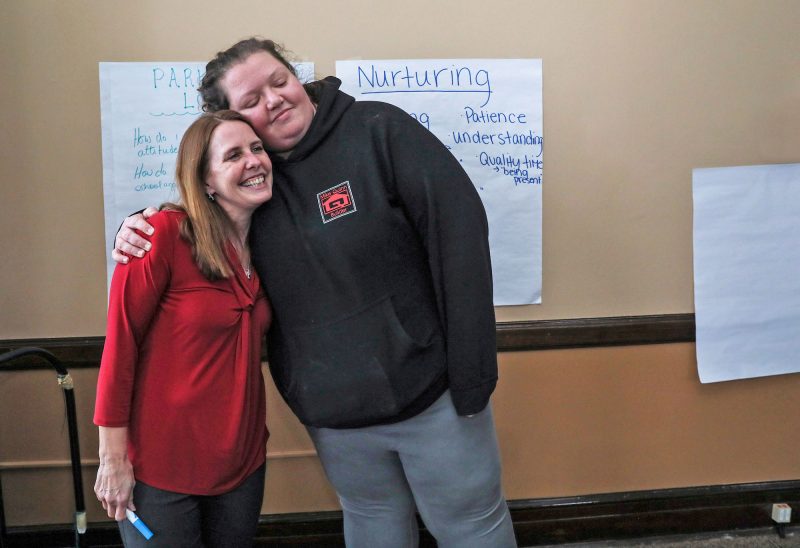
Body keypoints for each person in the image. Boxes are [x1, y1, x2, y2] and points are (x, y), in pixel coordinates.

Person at [113, 38, 517, 548]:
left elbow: (458, 237)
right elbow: (188, 228)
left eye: (279, 81)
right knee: (373, 526)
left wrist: (473, 373)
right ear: (229, 121)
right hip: (334, 417)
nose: (275, 99)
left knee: (471, 528)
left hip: (435, 399)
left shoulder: (379, 130)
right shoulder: (250, 187)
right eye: (252, 100)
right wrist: (132, 229)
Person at [95, 110, 274, 547]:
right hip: (161, 469)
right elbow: (120, 351)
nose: (253, 161)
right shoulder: (159, 236)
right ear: (206, 181)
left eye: (257, 148)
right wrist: (112, 459)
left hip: (242, 464)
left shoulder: (273, 244)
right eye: (233, 155)